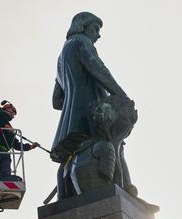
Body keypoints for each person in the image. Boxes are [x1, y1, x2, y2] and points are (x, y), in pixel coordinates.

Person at [51, 12, 127, 162]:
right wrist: (121, 96)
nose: (98, 35)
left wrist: (73, 104)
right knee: (117, 146)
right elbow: (99, 69)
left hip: (72, 126)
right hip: (92, 117)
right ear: (83, 27)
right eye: (95, 29)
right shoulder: (82, 41)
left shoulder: (61, 59)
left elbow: (56, 101)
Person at [0, 101, 38, 181]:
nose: (12, 114)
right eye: (12, 111)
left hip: (4, 151)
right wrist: (4, 126)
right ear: (7, 109)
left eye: (14, 113)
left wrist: (30, 146)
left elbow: (16, 144)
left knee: (6, 169)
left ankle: (5, 180)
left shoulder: (10, 130)